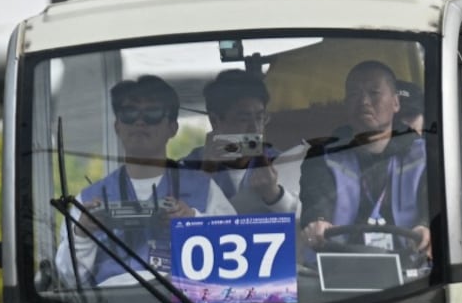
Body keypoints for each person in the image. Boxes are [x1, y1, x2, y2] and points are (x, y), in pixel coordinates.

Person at [55, 74, 233, 287]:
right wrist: (82, 233)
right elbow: (69, 279)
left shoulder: (204, 189)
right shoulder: (88, 200)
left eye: (152, 113)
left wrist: (193, 221)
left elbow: (236, 256)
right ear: (117, 126)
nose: (139, 121)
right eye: (129, 113)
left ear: (172, 128)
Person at [299, 60, 430, 257]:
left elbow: (434, 202)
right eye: (354, 94)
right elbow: (316, 199)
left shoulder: (425, 153)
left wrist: (426, 227)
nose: (363, 101)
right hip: (339, 268)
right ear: (346, 104)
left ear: (396, 103)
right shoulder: (322, 155)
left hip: (412, 269)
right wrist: (318, 220)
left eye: (374, 93)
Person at [181, 69, 301, 215]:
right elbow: (180, 219)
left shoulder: (281, 162)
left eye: (260, 118)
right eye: (243, 119)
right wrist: (205, 174)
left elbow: (307, 221)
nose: (255, 128)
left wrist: (274, 194)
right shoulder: (187, 168)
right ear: (215, 120)